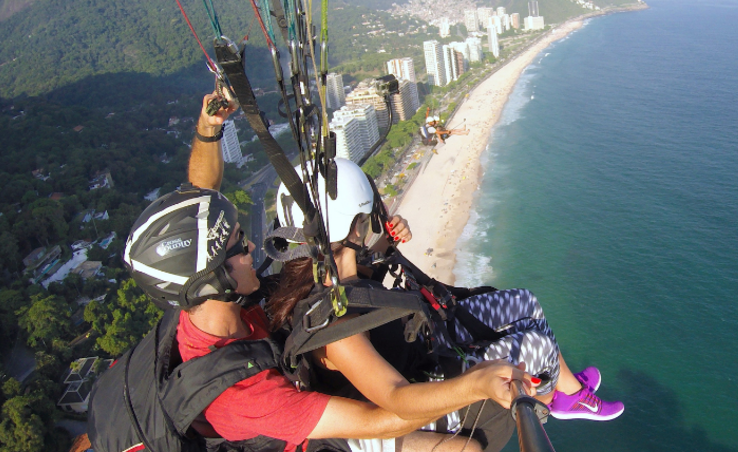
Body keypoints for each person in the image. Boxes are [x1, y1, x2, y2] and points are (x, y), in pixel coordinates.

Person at [98, 93, 532, 452]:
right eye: (236, 247)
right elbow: (382, 416)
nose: (250, 246)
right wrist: (473, 385)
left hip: (300, 378)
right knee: (467, 449)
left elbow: (202, 198)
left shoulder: (214, 307)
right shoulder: (242, 398)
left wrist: (208, 129)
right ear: (211, 280)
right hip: (311, 433)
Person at [268, 159, 625, 430]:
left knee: (524, 301)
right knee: (537, 347)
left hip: (420, 338)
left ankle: (569, 389)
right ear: (355, 227)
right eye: (369, 218)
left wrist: (389, 239)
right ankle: (550, 400)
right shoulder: (331, 324)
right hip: (425, 386)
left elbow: (371, 284)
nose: (375, 222)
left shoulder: (345, 272)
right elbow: (397, 398)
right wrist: (475, 384)